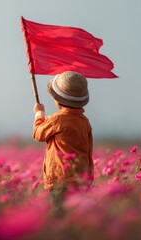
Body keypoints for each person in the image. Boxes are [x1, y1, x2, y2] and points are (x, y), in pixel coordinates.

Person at [32, 71, 94, 217]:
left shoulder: (57, 119)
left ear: (58, 100)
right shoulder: (84, 121)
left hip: (61, 178)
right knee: (76, 216)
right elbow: (88, 149)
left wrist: (39, 114)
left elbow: (38, 134)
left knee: (59, 215)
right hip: (80, 177)